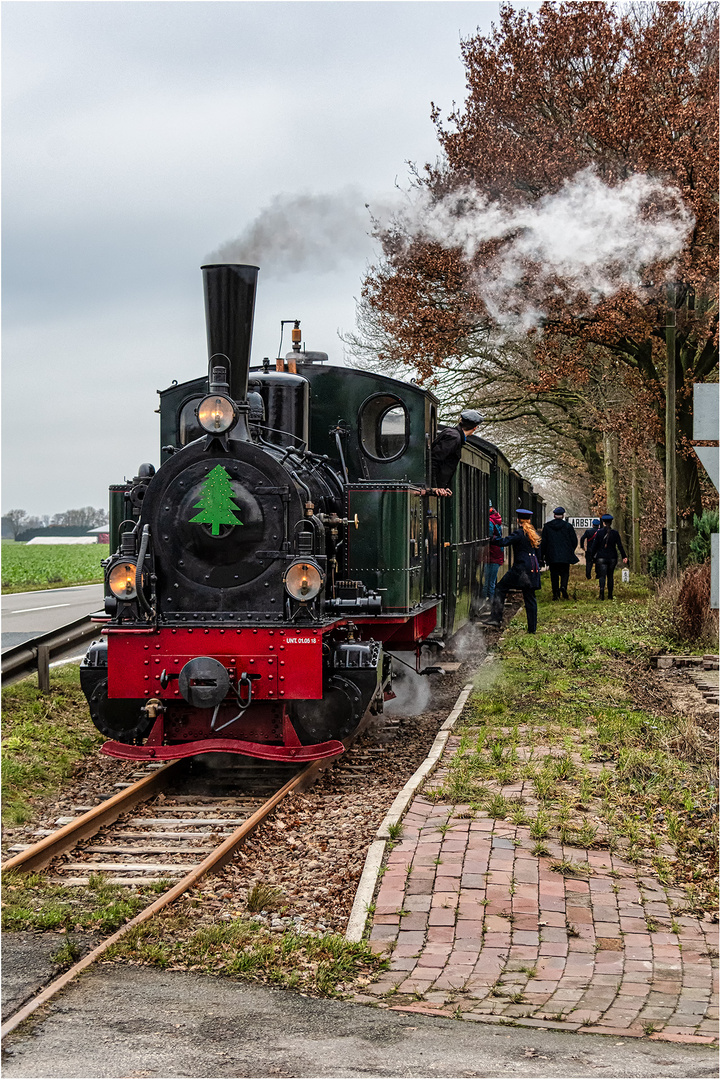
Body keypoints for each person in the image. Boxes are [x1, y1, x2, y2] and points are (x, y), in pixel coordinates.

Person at [482, 509, 542, 634]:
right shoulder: (532, 533)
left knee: (500, 588)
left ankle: (496, 618)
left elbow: (503, 542)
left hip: (521, 569)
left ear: (518, 520)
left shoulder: (519, 533)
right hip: (533, 567)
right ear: (529, 520)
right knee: (530, 598)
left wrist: (492, 538)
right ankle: (532, 629)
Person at [430, 410, 482, 493]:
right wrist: (434, 487)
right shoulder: (453, 438)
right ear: (475, 428)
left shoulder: (452, 434)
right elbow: (433, 460)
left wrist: (443, 486)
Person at [540, 506, 580, 600]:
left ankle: (556, 594)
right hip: (565, 555)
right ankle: (563, 586)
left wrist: (543, 555)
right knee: (565, 573)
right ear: (562, 515)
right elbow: (574, 541)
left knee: (554, 574)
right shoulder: (568, 526)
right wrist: (570, 550)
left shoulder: (547, 526)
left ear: (554, 515)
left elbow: (544, 542)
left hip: (552, 555)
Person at [589, 513, 628, 600]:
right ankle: (610, 595)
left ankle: (601, 594)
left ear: (603, 522)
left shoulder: (599, 533)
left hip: (601, 558)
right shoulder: (615, 533)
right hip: (612, 558)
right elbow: (620, 546)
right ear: (611, 522)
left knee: (602, 576)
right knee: (610, 576)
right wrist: (624, 556)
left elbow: (594, 546)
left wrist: (592, 557)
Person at [482, 502, 504, 605]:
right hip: (497, 552)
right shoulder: (497, 519)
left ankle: (489, 604)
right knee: (491, 581)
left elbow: (489, 535)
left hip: (491, 552)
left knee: (488, 582)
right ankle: (490, 603)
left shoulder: (490, 521)